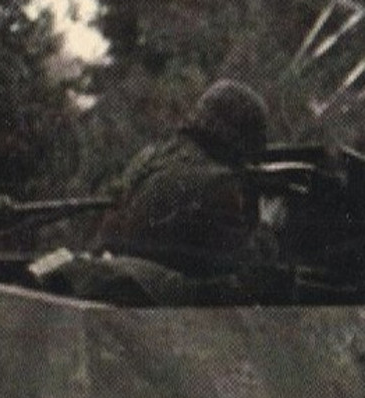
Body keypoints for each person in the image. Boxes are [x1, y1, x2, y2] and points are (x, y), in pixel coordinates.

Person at [92, 79, 271, 276]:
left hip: (118, 282)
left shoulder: (148, 158)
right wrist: (267, 225)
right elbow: (246, 271)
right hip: (163, 299)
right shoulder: (218, 186)